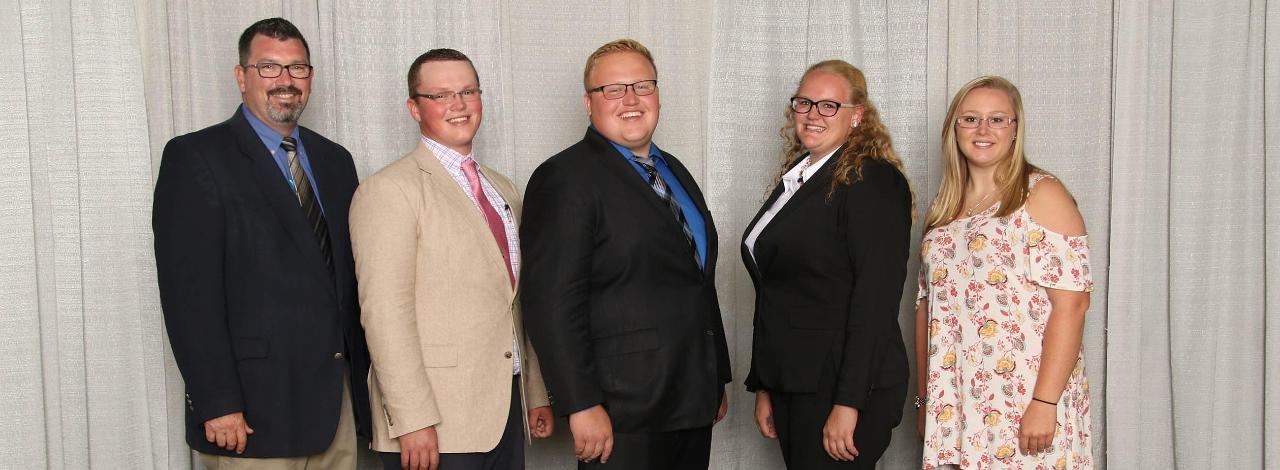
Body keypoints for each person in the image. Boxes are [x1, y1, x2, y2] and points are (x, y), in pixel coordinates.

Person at [152, 17, 371, 468]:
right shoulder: (195, 158)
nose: (285, 82)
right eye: (269, 68)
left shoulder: (335, 161)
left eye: (298, 68)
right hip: (250, 414)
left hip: (335, 406)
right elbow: (189, 295)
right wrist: (216, 400)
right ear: (241, 77)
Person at [519, 39, 731, 470]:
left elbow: (696, 282)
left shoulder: (674, 170)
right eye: (613, 89)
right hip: (622, 409)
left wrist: (714, 376)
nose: (631, 100)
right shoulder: (564, 178)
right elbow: (551, 303)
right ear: (588, 102)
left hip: (692, 397)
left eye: (642, 85)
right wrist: (581, 403)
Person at [349, 48, 554, 470]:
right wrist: (411, 419)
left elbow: (514, 301)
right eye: (440, 95)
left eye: (467, 91)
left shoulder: (503, 190)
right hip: (434, 422)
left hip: (502, 410)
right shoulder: (389, 191)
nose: (457, 105)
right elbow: (385, 313)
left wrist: (533, 393)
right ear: (414, 108)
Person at [741, 60, 913, 469]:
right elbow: (778, 293)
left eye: (829, 105)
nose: (814, 114)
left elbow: (876, 300)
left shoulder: (873, 181)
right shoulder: (800, 178)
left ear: (858, 116)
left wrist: (849, 403)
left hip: (843, 387)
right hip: (795, 382)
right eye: (805, 102)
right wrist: (766, 384)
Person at [915, 75, 1093, 469]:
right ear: (953, 129)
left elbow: (1073, 306)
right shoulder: (943, 210)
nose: (983, 130)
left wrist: (1045, 402)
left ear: (1015, 130)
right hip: (956, 405)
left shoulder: (1042, 194)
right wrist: (926, 400)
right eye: (970, 119)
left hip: (1025, 400)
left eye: (998, 119)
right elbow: (926, 309)